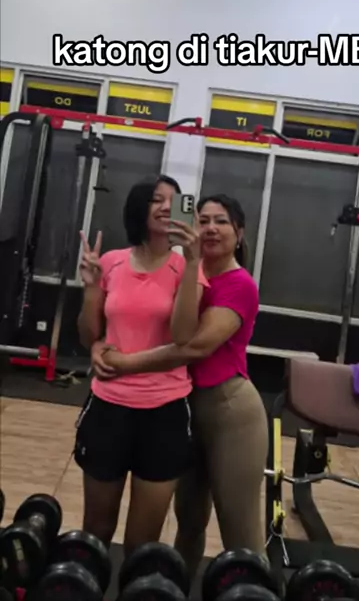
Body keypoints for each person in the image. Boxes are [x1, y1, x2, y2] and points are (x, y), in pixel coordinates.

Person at [97, 194, 269, 578]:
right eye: (203, 220)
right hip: (183, 408)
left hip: (229, 410)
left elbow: (194, 347)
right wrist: (99, 343)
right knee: (189, 522)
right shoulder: (183, 271)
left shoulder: (239, 284)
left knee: (241, 533)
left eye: (221, 221)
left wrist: (124, 365)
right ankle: (175, 588)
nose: (210, 229)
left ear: (239, 233)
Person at [74, 174, 203, 556]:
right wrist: (91, 287)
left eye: (173, 201)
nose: (166, 207)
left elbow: (183, 336)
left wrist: (192, 262)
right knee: (96, 529)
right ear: (138, 208)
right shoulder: (111, 262)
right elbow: (89, 336)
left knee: (141, 542)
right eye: (156, 199)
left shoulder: (186, 268)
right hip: (108, 406)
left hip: (164, 411)